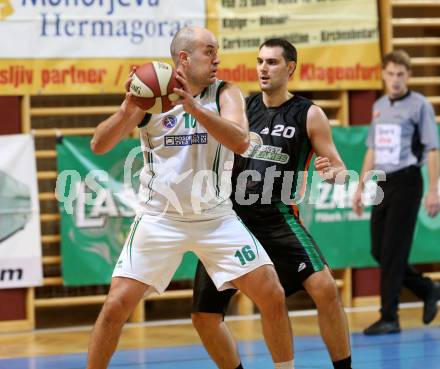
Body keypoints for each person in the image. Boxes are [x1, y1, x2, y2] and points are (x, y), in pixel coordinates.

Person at [86, 27, 294, 369]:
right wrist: (128, 107)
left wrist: (194, 108)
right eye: (209, 51)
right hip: (159, 218)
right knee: (115, 307)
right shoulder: (151, 99)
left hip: (214, 218)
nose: (217, 59)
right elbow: (99, 145)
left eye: (217, 51)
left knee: (272, 292)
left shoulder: (225, 93)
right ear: (184, 57)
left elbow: (241, 142)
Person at [191, 38, 353, 369]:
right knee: (204, 317)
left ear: (290, 67)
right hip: (231, 220)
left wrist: (331, 171)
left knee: (325, 290)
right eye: (260, 61)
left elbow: (340, 170)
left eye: (272, 62)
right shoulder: (241, 108)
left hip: (277, 218)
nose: (263, 68)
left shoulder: (309, 114)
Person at [353, 50, 440, 335]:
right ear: (383, 75)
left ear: (409, 76)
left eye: (400, 75)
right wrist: (360, 184)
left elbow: (432, 148)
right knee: (379, 250)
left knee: (393, 251)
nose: (395, 80)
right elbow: (372, 149)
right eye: (390, 74)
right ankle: (427, 288)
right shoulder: (379, 106)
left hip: (407, 181)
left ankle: (389, 316)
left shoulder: (420, 106)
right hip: (383, 183)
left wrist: (434, 190)